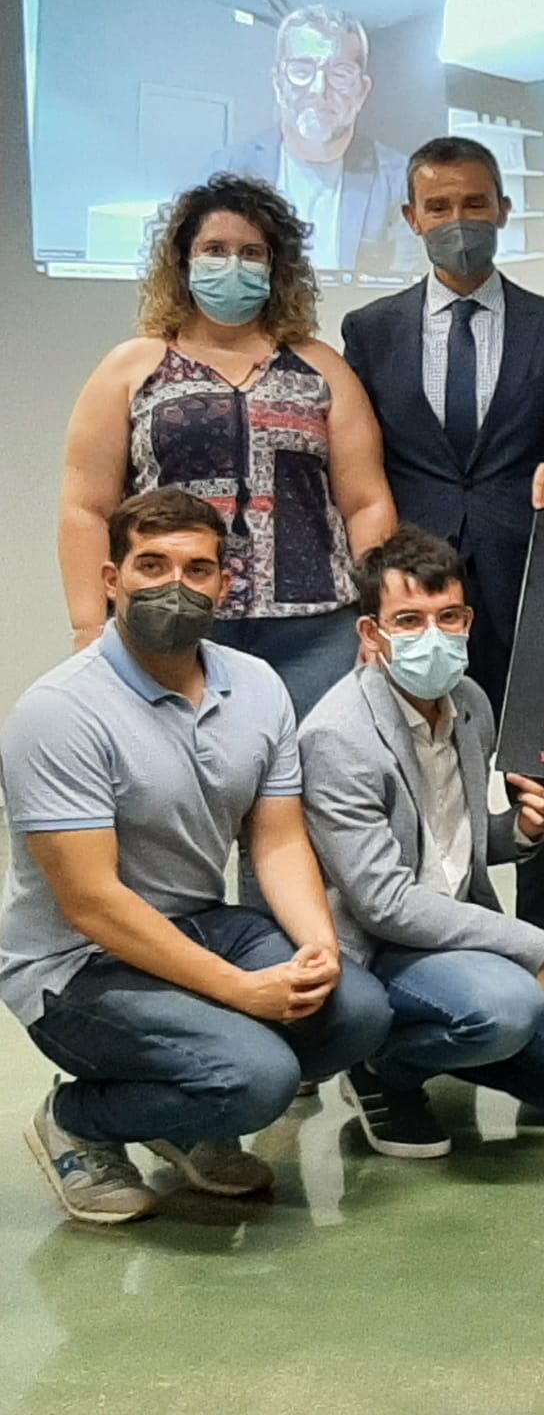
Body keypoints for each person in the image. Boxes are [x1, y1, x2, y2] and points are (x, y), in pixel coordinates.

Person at [1, 489, 391, 1225]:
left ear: (224, 583)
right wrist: (240, 991)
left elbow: (277, 838)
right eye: (151, 565)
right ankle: (77, 1122)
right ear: (112, 579)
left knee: (357, 1010)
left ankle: (182, 1115)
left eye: (197, 569)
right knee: (256, 1077)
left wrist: (318, 943)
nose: (174, 586)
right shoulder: (59, 712)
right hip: (76, 965)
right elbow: (91, 903)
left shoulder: (257, 685)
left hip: (197, 922)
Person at [342, 135, 544, 972]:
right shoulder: (370, 332)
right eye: (440, 206)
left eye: (474, 204)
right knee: (415, 773)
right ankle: (429, 951)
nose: (459, 221)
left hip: (532, 587)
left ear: (503, 209)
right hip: (417, 597)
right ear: (412, 217)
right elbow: (360, 463)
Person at [298, 527, 544, 1158]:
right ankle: (381, 1065)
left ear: (468, 621)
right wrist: (527, 944)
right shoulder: (337, 738)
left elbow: (452, 844)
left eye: (448, 617)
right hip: (383, 948)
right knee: (506, 1006)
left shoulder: (471, 703)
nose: (433, 636)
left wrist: (524, 831)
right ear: (371, 634)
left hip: (459, 930)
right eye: (409, 620)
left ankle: (460, 1036)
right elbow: (384, 904)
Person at [60, 173, 396, 723]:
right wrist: (89, 628)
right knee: (182, 770)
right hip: (171, 622)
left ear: (276, 267)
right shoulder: (132, 367)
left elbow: (366, 503)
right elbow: (86, 508)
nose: (232, 264)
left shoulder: (321, 367)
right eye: (215, 250)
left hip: (316, 635)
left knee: (318, 771)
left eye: (251, 252)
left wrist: (382, 615)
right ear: (183, 262)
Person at [211, 5, 411, 274]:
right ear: (278, 84)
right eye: (302, 71)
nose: (319, 89)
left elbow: (409, 281)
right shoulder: (228, 170)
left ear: (362, 91)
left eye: (339, 74)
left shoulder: (400, 180)